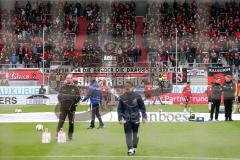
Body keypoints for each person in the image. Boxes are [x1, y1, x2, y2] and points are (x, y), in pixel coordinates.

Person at [117, 81, 147, 156]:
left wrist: (144, 117)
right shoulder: (122, 97)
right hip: (126, 119)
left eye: (128, 87)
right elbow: (120, 109)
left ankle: (134, 147)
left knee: (135, 135)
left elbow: (142, 107)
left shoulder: (137, 96)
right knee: (128, 134)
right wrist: (120, 118)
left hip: (136, 118)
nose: (127, 89)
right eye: (126, 87)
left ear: (132, 87)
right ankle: (130, 149)